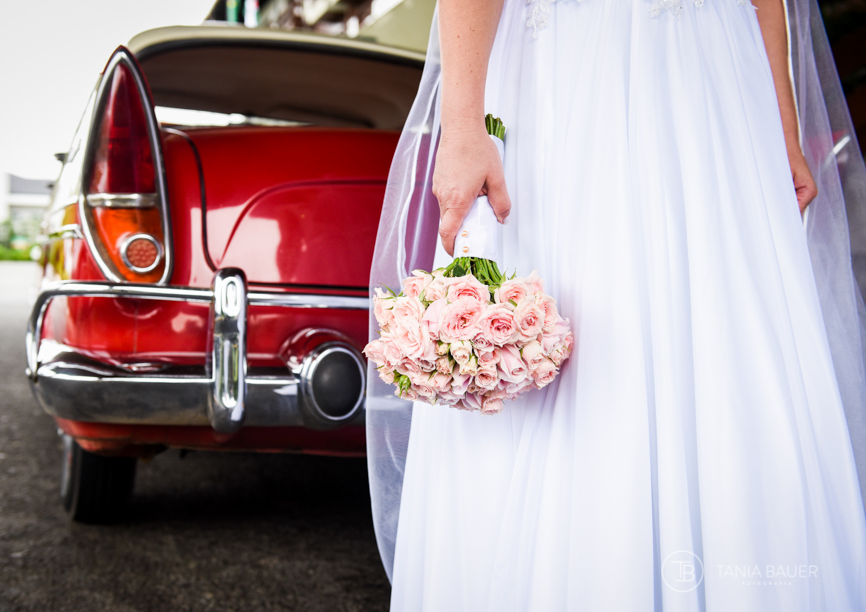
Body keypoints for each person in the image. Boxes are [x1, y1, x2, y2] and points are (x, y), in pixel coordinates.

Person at [366, 0, 866, 608]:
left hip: (714, 92)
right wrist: (465, 125)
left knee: (722, 346)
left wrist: (782, 124)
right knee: (587, 335)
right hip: (570, 81)